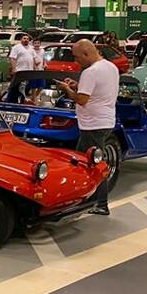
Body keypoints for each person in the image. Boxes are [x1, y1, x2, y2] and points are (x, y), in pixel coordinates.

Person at [55, 39, 119, 216]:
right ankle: (90, 201)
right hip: (105, 122)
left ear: (86, 53)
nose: (76, 62)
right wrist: (78, 86)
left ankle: (100, 203)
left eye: (77, 57)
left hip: (93, 125)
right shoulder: (110, 67)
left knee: (91, 164)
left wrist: (67, 89)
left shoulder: (90, 72)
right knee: (88, 162)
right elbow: (98, 91)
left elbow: (82, 100)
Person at [7, 34, 35, 102]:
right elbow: (12, 58)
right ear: (21, 39)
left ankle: (22, 101)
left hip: (29, 72)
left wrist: (34, 69)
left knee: (26, 89)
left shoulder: (31, 48)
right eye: (24, 38)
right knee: (16, 89)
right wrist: (14, 69)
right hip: (20, 72)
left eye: (27, 39)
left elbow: (33, 59)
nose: (26, 40)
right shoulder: (16, 47)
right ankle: (13, 102)